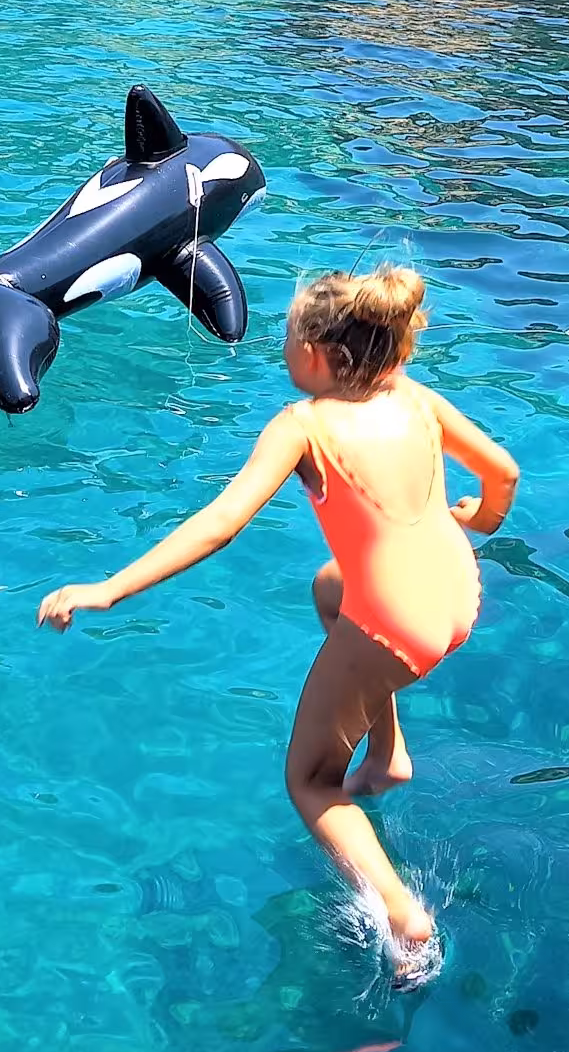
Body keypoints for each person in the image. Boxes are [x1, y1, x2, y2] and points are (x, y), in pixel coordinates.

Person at [37, 266, 520, 966]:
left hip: (395, 626)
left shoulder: (303, 425)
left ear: (320, 356)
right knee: (331, 588)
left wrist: (110, 588)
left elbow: (220, 524)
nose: (282, 349)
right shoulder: (416, 400)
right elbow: (502, 472)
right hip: (456, 594)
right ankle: (388, 754)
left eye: (289, 339)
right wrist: (481, 519)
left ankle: (403, 916)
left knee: (311, 782)